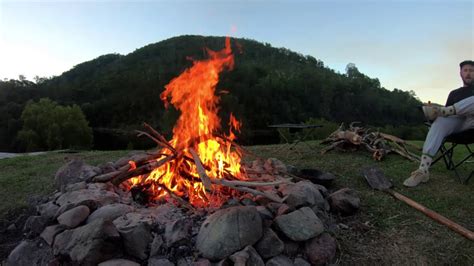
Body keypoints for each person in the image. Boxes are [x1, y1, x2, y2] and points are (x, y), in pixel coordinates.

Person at [403, 60, 474, 187]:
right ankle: (423, 170)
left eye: (472, 70)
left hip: (473, 125)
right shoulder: (454, 93)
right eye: (465, 70)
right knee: (441, 120)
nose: (468, 73)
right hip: (458, 125)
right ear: (460, 73)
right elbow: (447, 119)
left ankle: (440, 110)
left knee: (444, 113)